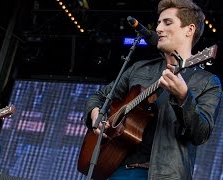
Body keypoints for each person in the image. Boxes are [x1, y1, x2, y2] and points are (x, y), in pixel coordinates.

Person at [84, 0, 222, 179]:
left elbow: (201, 134)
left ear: (189, 29)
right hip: (117, 168)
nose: (158, 29)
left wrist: (184, 97)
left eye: (167, 22)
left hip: (165, 174)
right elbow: (100, 97)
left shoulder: (207, 82)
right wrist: (96, 114)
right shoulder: (140, 68)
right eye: (158, 23)